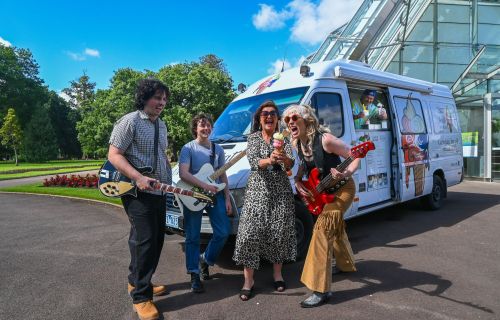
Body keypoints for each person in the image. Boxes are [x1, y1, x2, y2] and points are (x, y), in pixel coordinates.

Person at [283, 104, 359, 308]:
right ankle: (346, 264)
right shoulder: (298, 143)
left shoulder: (325, 139)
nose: (290, 121)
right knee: (335, 226)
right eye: (287, 119)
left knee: (322, 231)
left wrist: (346, 173)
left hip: (343, 190)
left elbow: (354, 155)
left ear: (306, 120)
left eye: (294, 117)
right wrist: (298, 181)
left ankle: (320, 289)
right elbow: (303, 168)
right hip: (324, 193)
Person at [107, 79, 171, 320]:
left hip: (159, 191)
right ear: (144, 98)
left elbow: (161, 154)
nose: (161, 103)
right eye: (157, 98)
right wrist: (137, 177)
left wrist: (169, 175)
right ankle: (141, 298)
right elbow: (113, 154)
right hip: (136, 192)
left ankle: (138, 282)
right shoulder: (130, 121)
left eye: (164, 99)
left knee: (156, 240)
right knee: (144, 241)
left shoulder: (161, 125)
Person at [233, 100, 296, 301]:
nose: (269, 116)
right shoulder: (252, 139)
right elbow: (254, 162)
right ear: (259, 119)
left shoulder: (285, 139)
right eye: (265, 114)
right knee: (249, 234)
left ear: (278, 119)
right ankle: (248, 280)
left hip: (280, 192)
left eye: (273, 113)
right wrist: (270, 159)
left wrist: (284, 158)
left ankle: (277, 275)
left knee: (278, 233)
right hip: (257, 192)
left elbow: (291, 165)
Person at [178, 113, 232, 293]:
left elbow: (222, 174)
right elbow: (183, 174)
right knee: (192, 237)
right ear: (195, 128)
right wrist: (204, 185)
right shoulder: (188, 148)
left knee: (223, 232)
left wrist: (226, 197)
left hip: (215, 195)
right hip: (193, 195)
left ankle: (205, 259)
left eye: (208, 125)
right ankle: (194, 274)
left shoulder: (218, 150)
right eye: (202, 125)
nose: (206, 128)